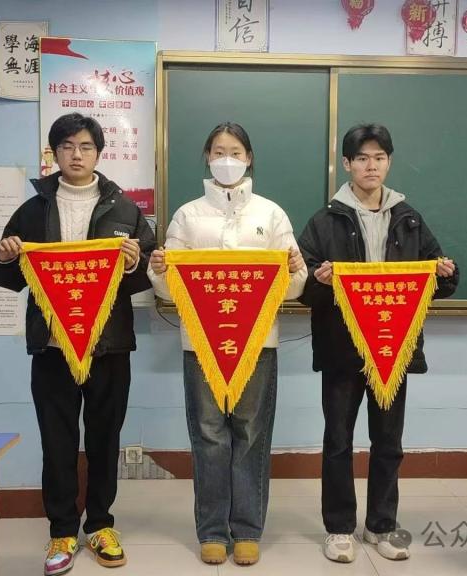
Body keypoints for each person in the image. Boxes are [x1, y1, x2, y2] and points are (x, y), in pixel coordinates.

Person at [0, 112, 155, 575]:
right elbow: (6, 275)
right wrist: (4, 257)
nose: (76, 155)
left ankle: (100, 525)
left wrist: (133, 263)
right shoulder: (33, 210)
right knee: (57, 440)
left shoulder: (124, 209)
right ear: (54, 153)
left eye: (85, 146)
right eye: (66, 147)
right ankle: (61, 530)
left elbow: (147, 274)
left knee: (105, 438)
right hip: (52, 346)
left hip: (108, 346)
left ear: (99, 153)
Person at [297, 124, 459, 564]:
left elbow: (437, 279)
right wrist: (319, 280)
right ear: (347, 164)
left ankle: (381, 525)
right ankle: (339, 528)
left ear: (389, 162)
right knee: (338, 440)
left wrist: (445, 273)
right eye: (363, 158)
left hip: (393, 348)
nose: (372, 166)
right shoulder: (325, 220)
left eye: (380, 158)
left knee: (388, 442)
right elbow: (301, 286)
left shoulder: (409, 218)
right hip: (342, 349)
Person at [147, 122, 307, 566]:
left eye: (235, 152)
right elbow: (168, 288)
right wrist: (159, 269)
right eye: (218, 151)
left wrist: (295, 268)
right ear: (206, 157)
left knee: (251, 433)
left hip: (258, 344)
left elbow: (294, 288)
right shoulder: (187, 215)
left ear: (249, 158)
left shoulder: (271, 214)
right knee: (209, 435)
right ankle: (212, 530)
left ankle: (248, 529)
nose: (227, 160)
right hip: (200, 345)